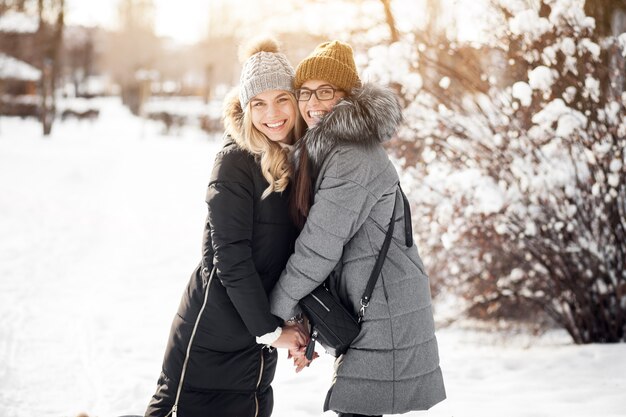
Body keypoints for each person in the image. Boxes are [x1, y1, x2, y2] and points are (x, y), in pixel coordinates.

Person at [269, 41, 447, 417]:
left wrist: (278, 311)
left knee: (359, 409)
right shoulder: (325, 148)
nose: (313, 103)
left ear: (348, 95)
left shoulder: (352, 156)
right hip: (372, 298)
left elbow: (319, 246)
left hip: (386, 305)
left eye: (325, 92)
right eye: (305, 93)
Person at [145, 37, 309, 417]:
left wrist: (295, 325)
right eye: (259, 104)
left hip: (254, 345)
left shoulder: (295, 162)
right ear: (245, 108)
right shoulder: (235, 161)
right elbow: (230, 258)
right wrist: (272, 332)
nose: (272, 114)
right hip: (211, 341)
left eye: (282, 99)